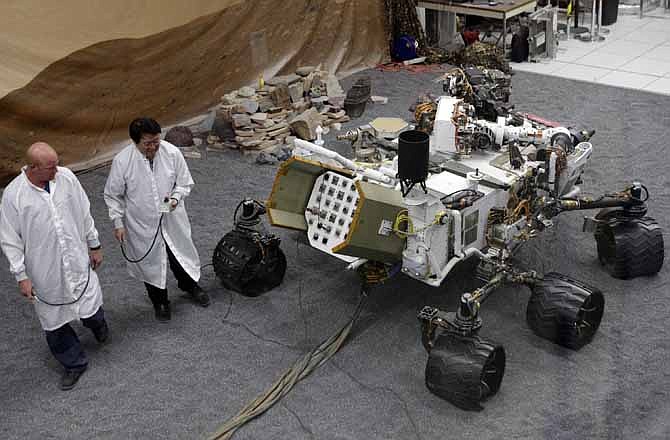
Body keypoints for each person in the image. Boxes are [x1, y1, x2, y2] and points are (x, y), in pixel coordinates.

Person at [0, 142, 108, 390]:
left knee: (90, 303)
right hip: (44, 271)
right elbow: (9, 240)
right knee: (54, 320)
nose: (57, 171)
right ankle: (74, 363)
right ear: (33, 167)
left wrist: (94, 244)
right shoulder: (14, 196)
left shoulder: (67, 178)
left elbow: (84, 211)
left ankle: (98, 324)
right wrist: (21, 276)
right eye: (51, 167)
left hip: (77, 259)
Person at [104, 117, 209, 322]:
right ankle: (159, 301)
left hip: (172, 218)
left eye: (156, 141)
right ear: (135, 142)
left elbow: (184, 182)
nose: (154, 147)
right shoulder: (122, 161)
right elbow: (112, 195)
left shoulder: (171, 152)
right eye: (148, 143)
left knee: (178, 254)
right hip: (141, 224)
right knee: (150, 263)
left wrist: (174, 199)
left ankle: (189, 286)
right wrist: (118, 223)